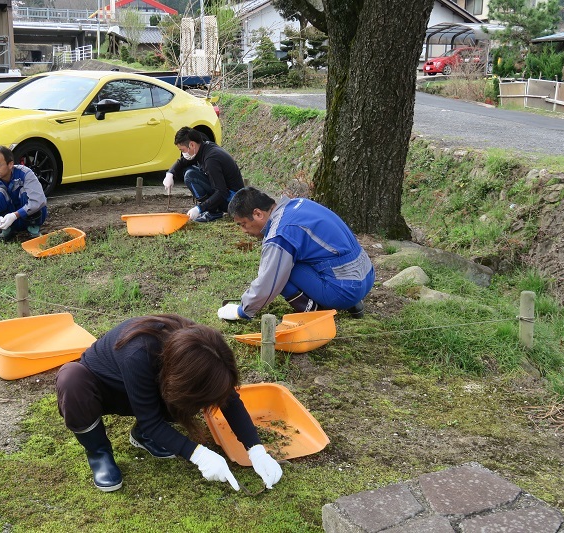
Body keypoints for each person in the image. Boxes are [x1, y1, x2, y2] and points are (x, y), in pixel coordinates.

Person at [55, 314, 283, 493]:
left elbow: (228, 397)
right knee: (72, 380)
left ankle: (142, 435)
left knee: (197, 392)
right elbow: (152, 420)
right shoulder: (138, 351)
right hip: (106, 390)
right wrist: (199, 455)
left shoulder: (199, 346)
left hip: (150, 387)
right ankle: (99, 453)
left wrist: (256, 450)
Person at [218, 187, 374, 321]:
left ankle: (315, 312)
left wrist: (242, 311)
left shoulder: (280, 232)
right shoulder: (298, 204)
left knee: (281, 269)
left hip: (345, 290)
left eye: (243, 224)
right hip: (366, 274)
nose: (244, 231)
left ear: (258, 213)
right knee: (291, 258)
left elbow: (269, 280)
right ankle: (352, 303)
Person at [163, 127, 244, 223]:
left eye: (183, 150)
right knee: (190, 170)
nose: (183, 154)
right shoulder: (204, 147)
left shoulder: (211, 160)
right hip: (231, 194)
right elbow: (183, 162)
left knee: (190, 176)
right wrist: (170, 174)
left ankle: (213, 212)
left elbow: (221, 192)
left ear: (192, 145)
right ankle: (212, 209)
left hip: (232, 201)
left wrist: (199, 208)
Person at [0, 145, 47, 242]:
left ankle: (33, 229)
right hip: (7, 221)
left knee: (25, 192)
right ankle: (7, 230)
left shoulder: (25, 173)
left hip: (27, 216)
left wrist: (15, 215)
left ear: (10, 164)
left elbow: (39, 200)